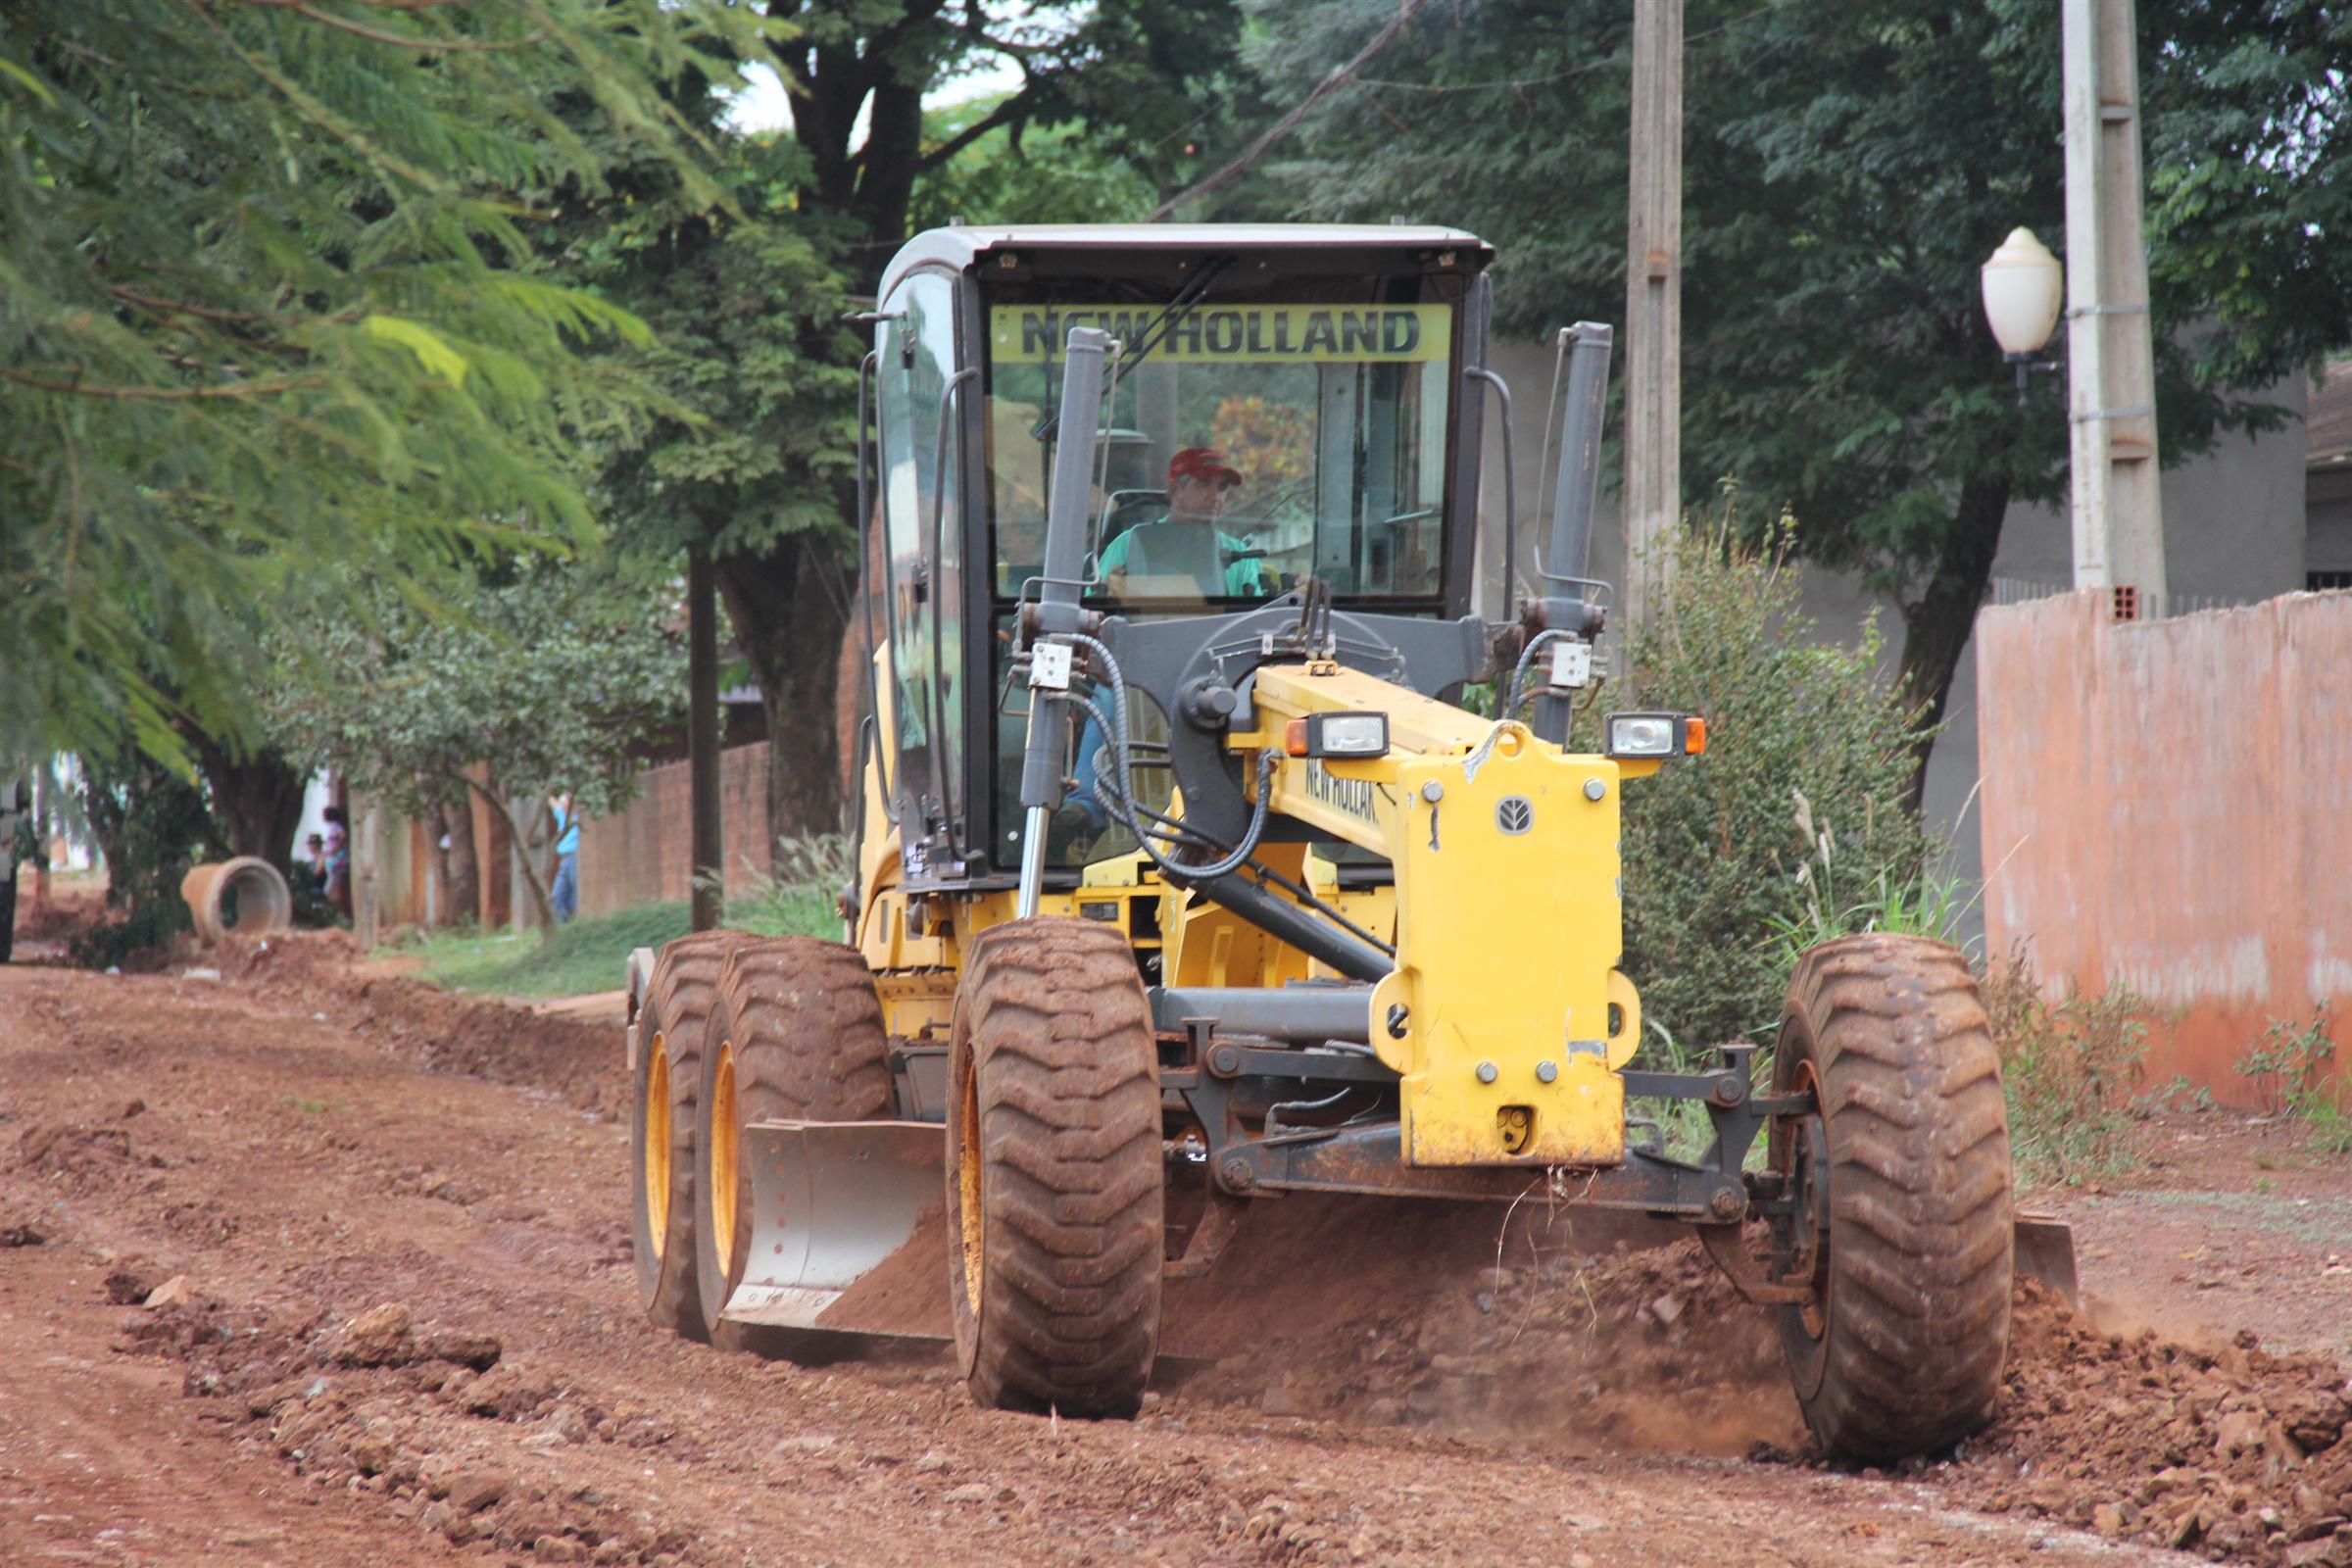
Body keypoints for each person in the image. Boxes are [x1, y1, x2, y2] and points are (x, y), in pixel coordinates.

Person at [1098, 447, 1277, 600]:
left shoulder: (1240, 555)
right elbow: (1094, 606)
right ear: (1176, 490)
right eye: (1204, 484)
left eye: (1222, 488)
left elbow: (1253, 622)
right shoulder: (1128, 544)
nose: (1215, 497)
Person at [550, 792, 579, 923]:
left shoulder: (577, 818)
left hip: (575, 857)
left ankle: (576, 922)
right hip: (564, 859)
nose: (562, 804)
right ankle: (563, 924)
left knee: (575, 893)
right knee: (557, 894)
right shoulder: (562, 816)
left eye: (564, 801)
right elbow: (552, 803)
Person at [322, 806, 351, 918]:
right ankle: (337, 911)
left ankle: (337, 911)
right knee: (333, 885)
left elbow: (343, 836)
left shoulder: (335, 826)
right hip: (334, 857)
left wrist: (336, 848)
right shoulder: (332, 826)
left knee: (331, 888)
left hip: (337, 858)